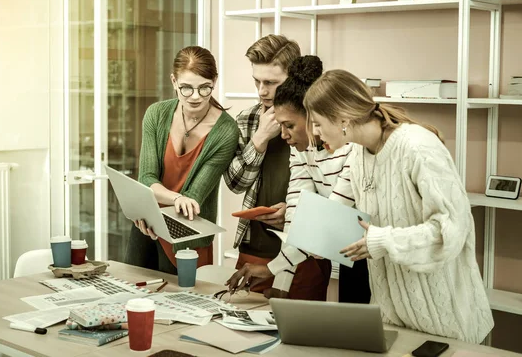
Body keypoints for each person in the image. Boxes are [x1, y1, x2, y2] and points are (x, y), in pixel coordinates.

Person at [302, 69, 494, 343]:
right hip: (394, 321)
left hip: (449, 323)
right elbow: (337, 212)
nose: (314, 133)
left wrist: (380, 240)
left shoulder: (417, 147)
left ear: (343, 118)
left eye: (318, 123)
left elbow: (450, 231)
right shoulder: (357, 152)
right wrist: (318, 239)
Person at [226, 56, 370, 303]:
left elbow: (331, 216)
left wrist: (274, 268)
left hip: (372, 248)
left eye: (290, 125)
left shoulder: (352, 148)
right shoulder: (300, 149)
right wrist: (283, 282)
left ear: (313, 116)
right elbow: (295, 212)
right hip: (349, 248)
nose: (284, 135)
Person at [124, 46, 239, 274]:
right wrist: (163, 204)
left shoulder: (226, 130)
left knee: (184, 304)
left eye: (205, 88)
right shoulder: (156, 114)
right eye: (186, 88)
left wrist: (167, 202)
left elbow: (193, 199)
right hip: (146, 226)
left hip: (187, 234)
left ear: (215, 81)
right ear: (174, 81)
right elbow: (146, 177)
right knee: (132, 294)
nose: (195, 97)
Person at [223, 34, 300, 293]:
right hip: (252, 246)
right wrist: (259, 139)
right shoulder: (247, 119)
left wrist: (292, 213)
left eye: (271, 82)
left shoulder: (314, 123)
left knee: (300, 331)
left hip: (302, 252)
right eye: (257, 81)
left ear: (293, 80)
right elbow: (235, 183)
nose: (261, 91)